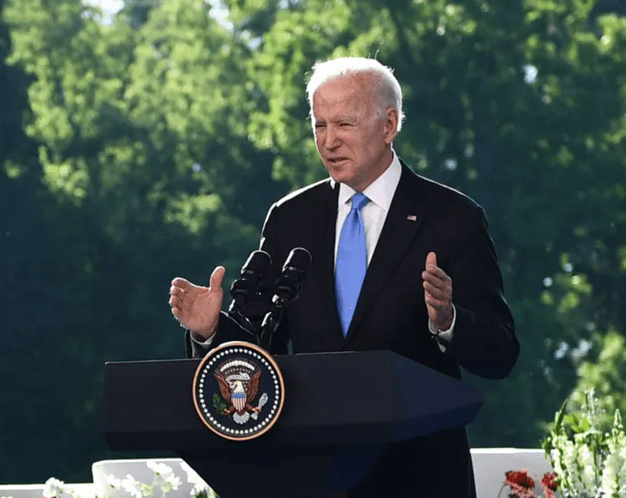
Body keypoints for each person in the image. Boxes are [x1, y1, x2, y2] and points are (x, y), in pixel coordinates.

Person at [168, 57, 519, 498]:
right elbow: (260, 350)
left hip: (421, 477)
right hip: (312, 476)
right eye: (319, 126)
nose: (329, 142)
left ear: (389, 124)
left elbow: (501, 353)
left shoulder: (451, 218)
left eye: (344, 125)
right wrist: (211, 331)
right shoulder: (290, 218)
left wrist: (448, 321)